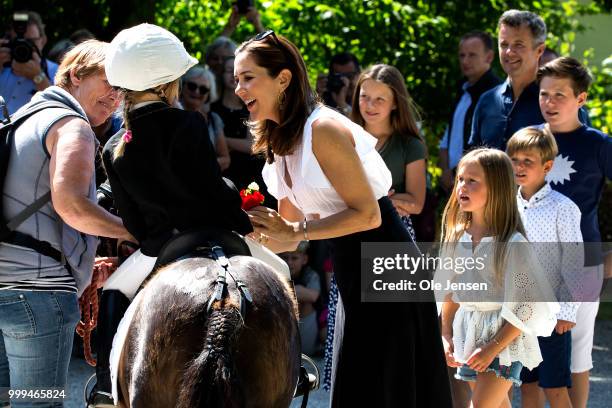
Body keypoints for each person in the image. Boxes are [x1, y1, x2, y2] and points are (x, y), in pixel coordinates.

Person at [237, 30, 452, 407]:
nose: (239, 88)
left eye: (248, 77)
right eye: (237, 79)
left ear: (283, 79)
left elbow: (369, 214)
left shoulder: (323, 129)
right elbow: (287, 237)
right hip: (353, 270)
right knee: (363, 387)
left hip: (389, 263)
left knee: (387, 389)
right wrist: (244, 230)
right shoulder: (279, 142)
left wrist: (296, 229)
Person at [88, 24, 253, 407]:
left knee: (113, 293)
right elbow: (211, 189)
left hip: (160, 246)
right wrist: (242, 215)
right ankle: (296, 371)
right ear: (166, 86)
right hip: (209, 236)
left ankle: (103, 388)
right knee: (275, 272)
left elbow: (131, 219)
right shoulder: (189, 123)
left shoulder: (114, 145)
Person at [0, 40, 132, 408]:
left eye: (123, 90)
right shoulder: (73, 125)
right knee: (38, 405)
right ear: (75, 74)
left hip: (3, 288)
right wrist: (133, 231)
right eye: (110, 82)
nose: (117, 96)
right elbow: (72, 206)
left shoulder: (21, 118)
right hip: (38, 300)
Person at [438, 148, 559, 408]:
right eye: (460, 179)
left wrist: (493, 346)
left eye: (472, 180)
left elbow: (528, 305)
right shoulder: (457, 238)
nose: (462, 186)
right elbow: (449, 291)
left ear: (496, 187)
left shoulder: (512, 245)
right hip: (468, 333)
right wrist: (446, 334)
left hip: (504, 339)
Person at [537, 56, 612, 408]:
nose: (550, 103)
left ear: (581, 99)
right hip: (533, 261)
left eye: (559, 95)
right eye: (544, 94)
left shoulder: (599, 144)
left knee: (578, 348)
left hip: (583, 261)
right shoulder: (528, 141)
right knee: (530, 348)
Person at [506, 127, 583, 408]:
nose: (519, 166)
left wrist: (566, 310)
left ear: (547, 166)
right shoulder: (505, 206)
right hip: (517, 315)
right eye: (514, 159)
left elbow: (574, 263)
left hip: (552, 315)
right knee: (526, 385)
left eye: (528, 161)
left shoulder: (563, 208)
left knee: (555, 388)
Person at [351, 63, 426, 240]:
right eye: (364, 96)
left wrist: (374, 201)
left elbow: (416, 203)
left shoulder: (410, 145)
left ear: (395, 104)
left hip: (393, 235)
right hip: (350, 232)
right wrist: (386, 200)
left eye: (380, 99)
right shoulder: (344, 139)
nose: (370, 105)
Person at [439, 31, 501, 193]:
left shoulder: (496, 94)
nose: (465, 61)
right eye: (462, 55)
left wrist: (456, 173)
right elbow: (447, 137)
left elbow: (486, 145)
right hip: (455, 182)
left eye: (472, 55)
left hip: (478, 183)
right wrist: (445, 171)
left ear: (489, 57)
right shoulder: (462, 89)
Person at [0, 11, 58, 114]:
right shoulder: (2, 64)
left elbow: (59, 107)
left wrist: (38, 76)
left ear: (43, 40)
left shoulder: (56, 71)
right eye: (18, 41)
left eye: (30, 41)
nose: (24, 46)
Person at [180, 65, 231, 170]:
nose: (197, 92)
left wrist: (201, 167)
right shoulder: (169, 114)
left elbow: (225, 159)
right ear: (182, 86)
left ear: (209, 94)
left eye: (203, 89)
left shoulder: (214, 119)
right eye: (192, 86)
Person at [281, 241, 321, 356]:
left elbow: (313, 296)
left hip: (308, 323)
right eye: (285, 257)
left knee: (306, 304)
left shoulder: (310, 275)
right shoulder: (278, 272)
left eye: (294, 258)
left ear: (304, 259)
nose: (289, 262)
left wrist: (287, 290)